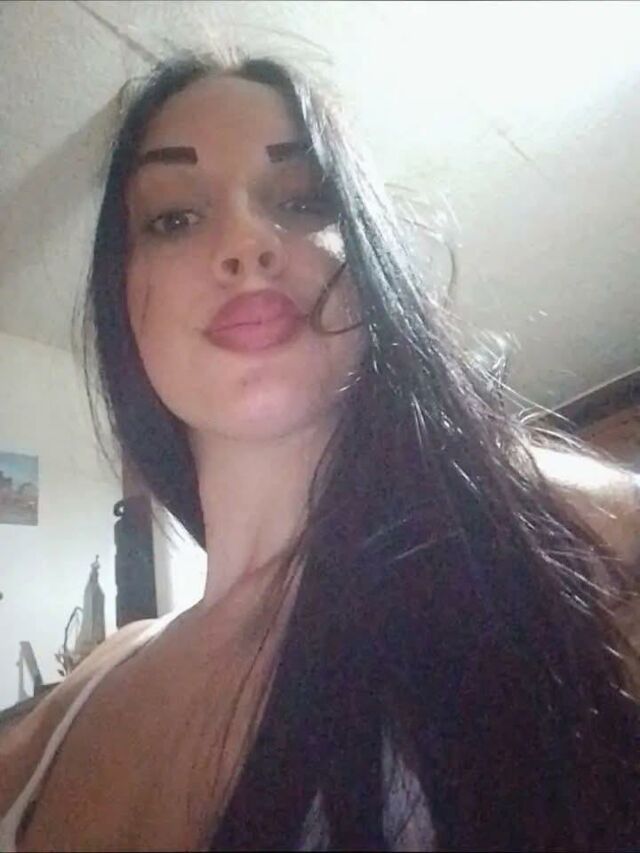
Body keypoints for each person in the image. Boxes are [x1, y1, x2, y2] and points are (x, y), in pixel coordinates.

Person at [1, 51, 639, 852]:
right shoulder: (84, 689)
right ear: (120, 296)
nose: (246, 242)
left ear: (369, 261)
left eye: (303, 199)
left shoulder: (544, 539)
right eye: (174, 217)